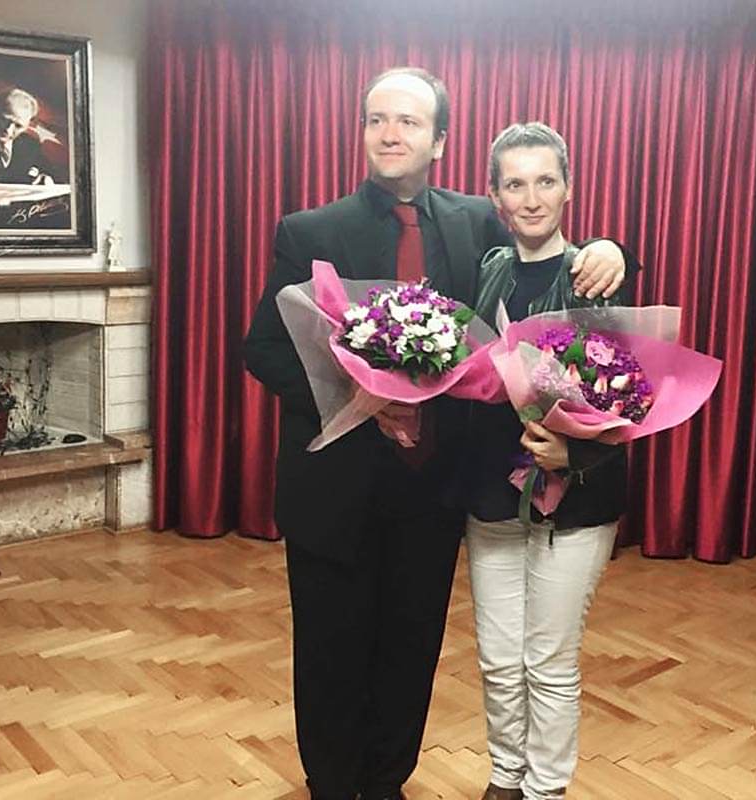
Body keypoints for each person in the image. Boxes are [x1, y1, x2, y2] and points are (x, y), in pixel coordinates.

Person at [243, 68, 632, 800]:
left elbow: (546, 249)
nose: (390, 133)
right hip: (334, 493)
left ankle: (388, 782)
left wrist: (610, 248)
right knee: (329, 654)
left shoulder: (476, 222)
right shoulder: (308, 231)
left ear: (440, 141)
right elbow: (263, 349)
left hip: (431, 495)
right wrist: (358, 395)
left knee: (411, 649)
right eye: (377, 119)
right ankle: (334, 786)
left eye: (409, 122)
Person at [465, 122, 629, 800]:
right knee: (500, 659)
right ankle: (506, 778)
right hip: (491, 493)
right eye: (515, 184)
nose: (531, 199)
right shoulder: (485, 268)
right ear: (495, 196)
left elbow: (631, 395)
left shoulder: (596, 276)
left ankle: (545, 790)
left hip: (577, 498)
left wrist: (575, 450)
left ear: (568, 188)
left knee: (549, 661)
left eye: (545, 181)